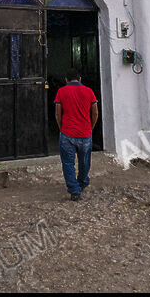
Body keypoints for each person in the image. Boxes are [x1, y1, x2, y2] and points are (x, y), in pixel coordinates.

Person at [54, 68, 99, 201]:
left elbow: (58, 113)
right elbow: (95, 113)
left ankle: (74, 191)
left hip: (67, 133)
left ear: (66, 80)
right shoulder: (89, 91)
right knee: (84, 162)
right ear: (80, 79)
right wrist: (91, 127)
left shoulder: (61, 91)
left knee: (68, 163)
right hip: (85, 133)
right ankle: (82, 182)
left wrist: (61, 127)